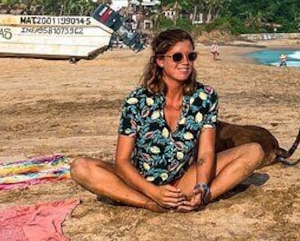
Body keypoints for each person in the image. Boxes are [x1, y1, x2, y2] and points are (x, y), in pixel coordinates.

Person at [70, 29, 264, 212]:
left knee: (254, 151)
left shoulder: (205, 97)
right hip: (141, 184)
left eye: (191, 56)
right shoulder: (137, 101)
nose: (186, 62)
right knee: (80, 167)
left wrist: (202, 187)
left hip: (183, 182)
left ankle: (198, 198)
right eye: (177, 57)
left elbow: (205, 152)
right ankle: (151, 205)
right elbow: (122, 161)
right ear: (160, 61)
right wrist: (152, 193)